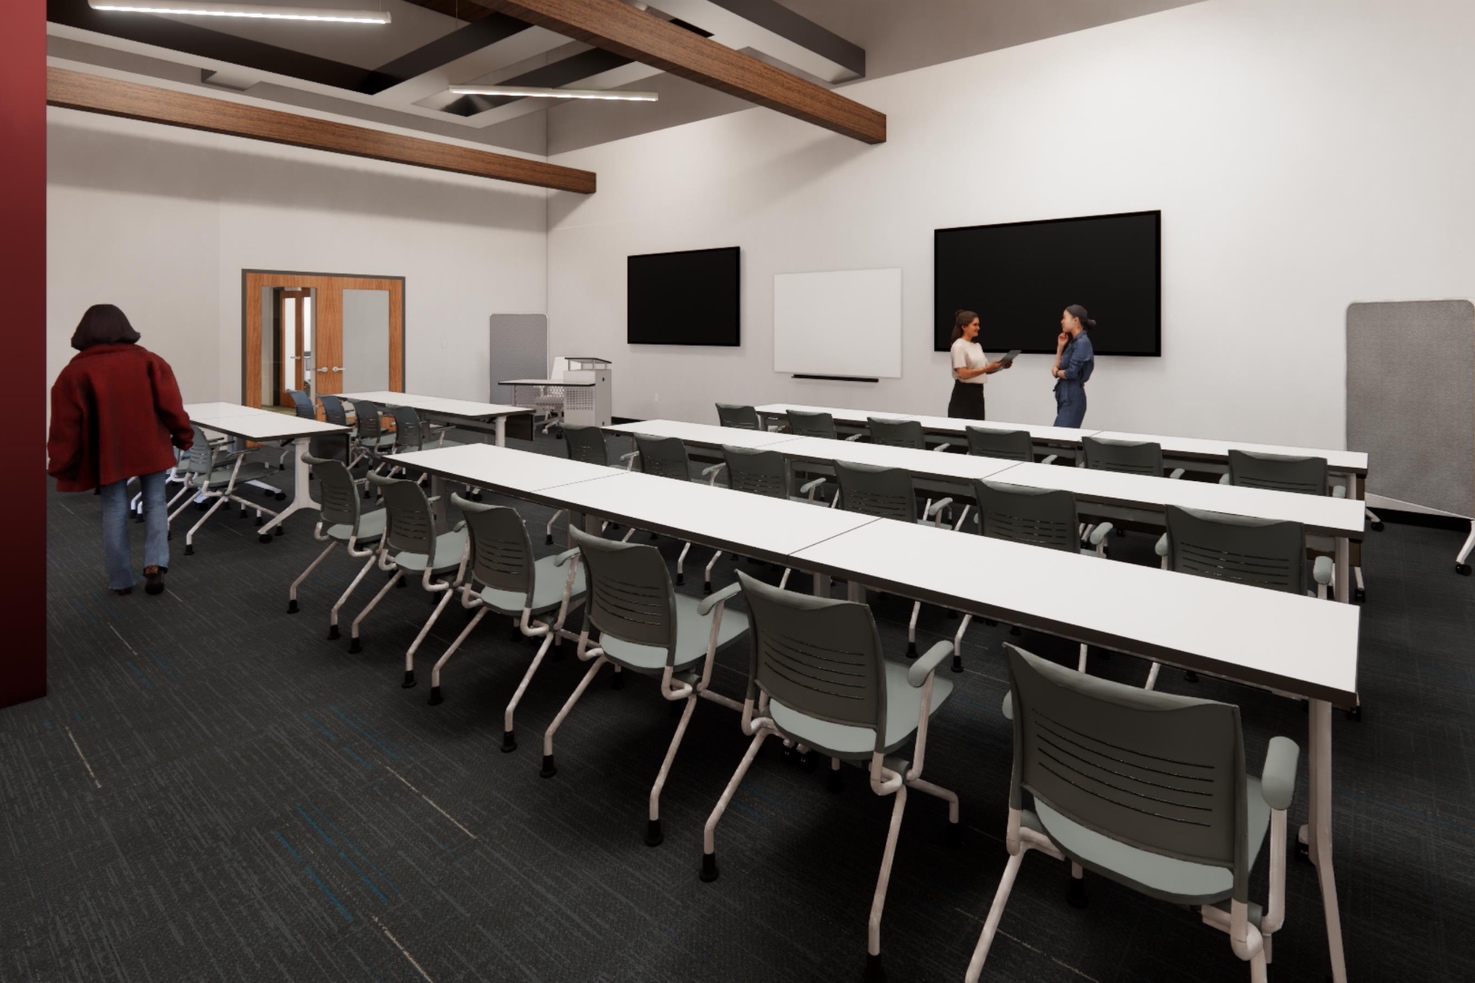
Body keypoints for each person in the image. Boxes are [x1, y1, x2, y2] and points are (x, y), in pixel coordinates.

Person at [47, 305, 193, 596]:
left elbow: (65, 426)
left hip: (108, 452)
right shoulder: (151, 361)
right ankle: (155, 565)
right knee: (155, 503)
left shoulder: (75, 372)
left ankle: (121, 580)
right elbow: (171, 406)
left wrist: (60, 463)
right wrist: (183, 436)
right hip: (150, 446)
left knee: (113, 508)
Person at [947, 309, 1011, 420]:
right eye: (975, 325)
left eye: (978, 324)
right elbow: (963, 374)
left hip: (978, 394)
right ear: (964, 327)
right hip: (963, 395)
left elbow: (986, 369)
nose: (978, 328)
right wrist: (987, 368)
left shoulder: (977, 346)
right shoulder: (958, 346)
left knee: (977, 429)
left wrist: (1001, 366)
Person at [1051, 304, 1096, 428]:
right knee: (1059, 440)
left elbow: (1071, 373)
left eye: (1064, 318)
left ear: (1075, 320)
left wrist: (1056, 372)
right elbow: (1059, 366)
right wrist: (1060, 347)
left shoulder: (1082, 343)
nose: (1062, 321)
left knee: (1060, 440)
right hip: (1066, 394)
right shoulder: (1074, 342)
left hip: (1072, 396)